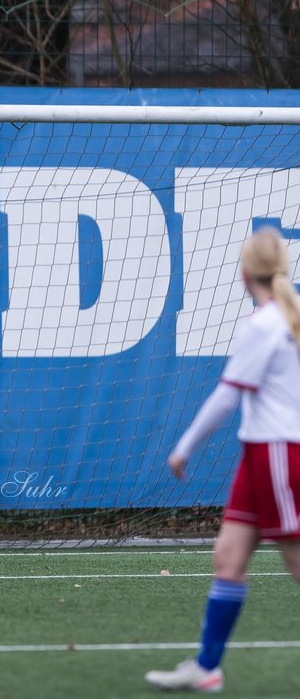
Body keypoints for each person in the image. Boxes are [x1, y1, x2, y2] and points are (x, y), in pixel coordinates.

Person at [144, 226, 300, 693]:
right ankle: (207, 665)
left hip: (276, 453)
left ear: (245, 270)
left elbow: (226, 397)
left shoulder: (266, 323)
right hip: (260, 454)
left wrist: (183, 447)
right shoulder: (285, 319)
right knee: (228, 558)